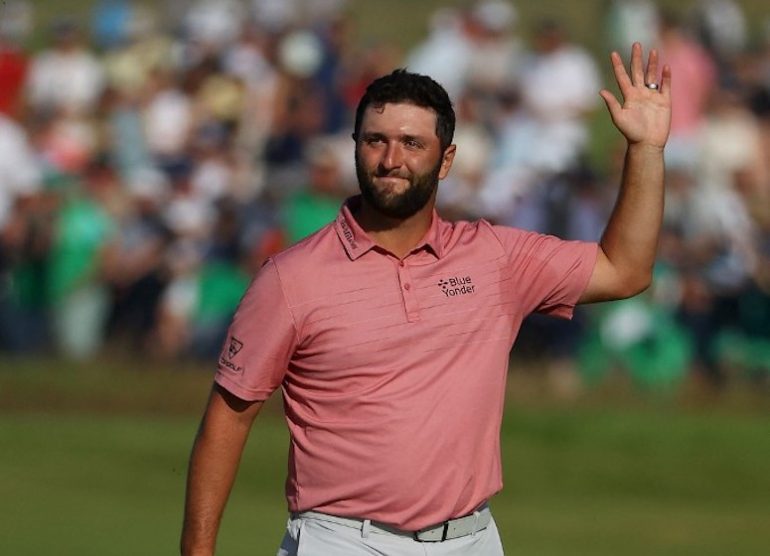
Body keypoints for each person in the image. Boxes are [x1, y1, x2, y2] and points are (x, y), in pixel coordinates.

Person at [181, 42, 672, 555]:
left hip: (472, 538)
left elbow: (625, 270)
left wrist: (646, 151)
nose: (391, 160)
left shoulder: (493, 257)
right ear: (355, 147)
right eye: (375, 140)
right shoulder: (291, 277)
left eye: (412, 144)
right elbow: (228, 419)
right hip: (343, 540)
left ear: (446, 160)